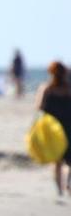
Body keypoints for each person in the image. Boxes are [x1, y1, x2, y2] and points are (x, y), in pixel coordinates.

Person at [35, 62, 71, 195]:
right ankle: (67, 185)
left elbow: (39, 106)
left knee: (57, 160)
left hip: (53, 128)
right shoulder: (68, 89)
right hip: (68, 126)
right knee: (69, 160)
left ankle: (59, 189)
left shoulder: (47, 88)